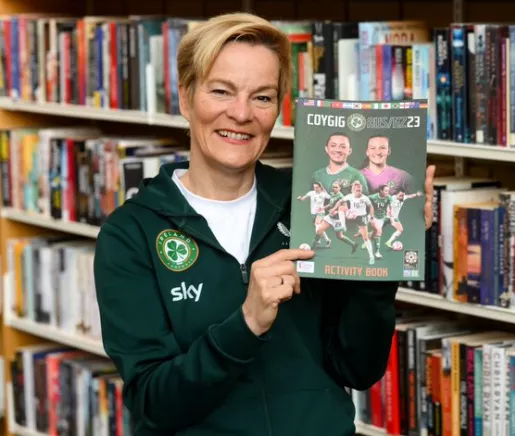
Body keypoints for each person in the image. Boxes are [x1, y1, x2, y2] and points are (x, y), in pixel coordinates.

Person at [93, 11, 436, 436]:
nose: (241, 114)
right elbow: (154, 403)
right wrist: (247, 323)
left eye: (262, 97)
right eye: (221, 91)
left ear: (278, 109)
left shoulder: (307, 203)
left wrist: (384, 260)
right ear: (185, 98)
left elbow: (357, 368)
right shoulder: (131, 233)